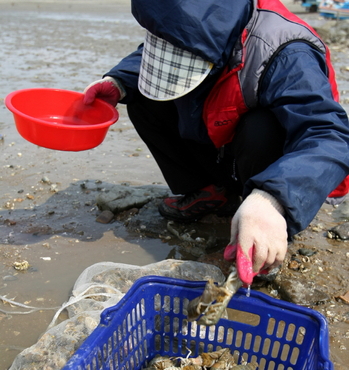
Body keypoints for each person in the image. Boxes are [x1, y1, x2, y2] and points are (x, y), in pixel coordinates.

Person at [84, 0, 349, 285]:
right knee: (142, 97)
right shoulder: (179, 27)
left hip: (269, 165)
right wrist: (119, 81)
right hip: (218, 138)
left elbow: (330, 136)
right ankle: (208, 191)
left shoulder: (287, 51)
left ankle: (263, 228)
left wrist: (273, 200)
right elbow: (160, 46)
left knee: (261, 127)